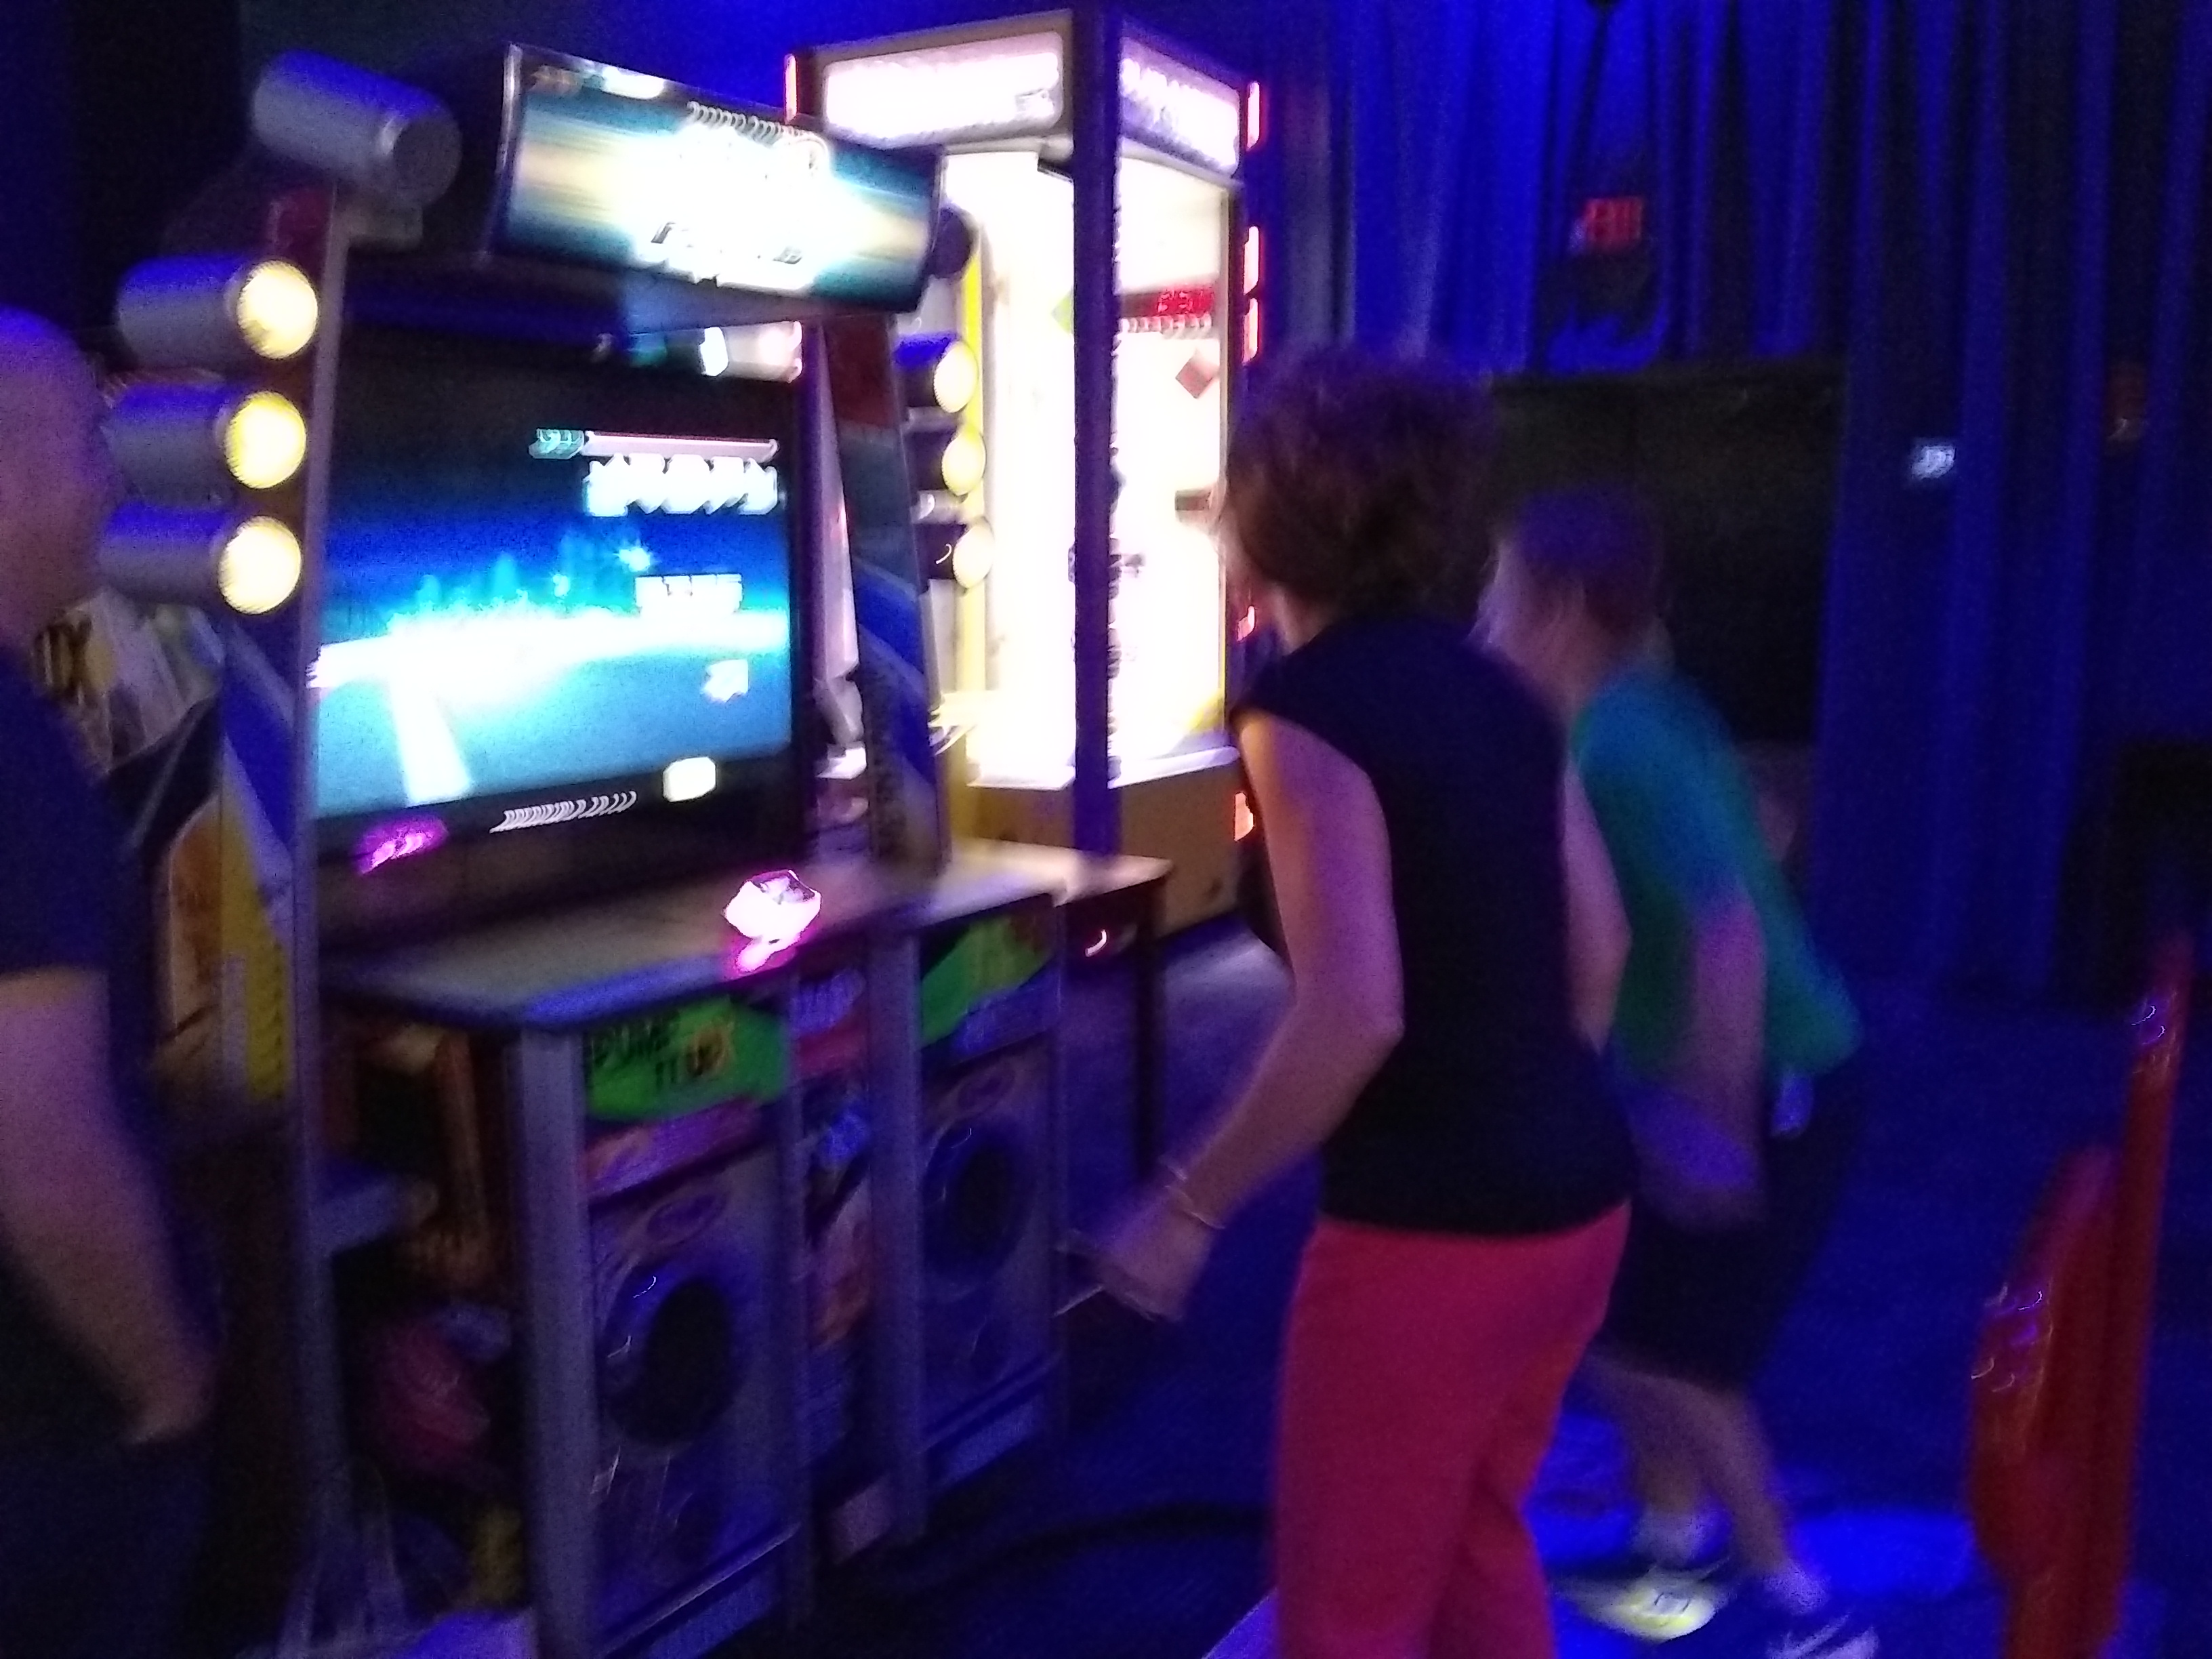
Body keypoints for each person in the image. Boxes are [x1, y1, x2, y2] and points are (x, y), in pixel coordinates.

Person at [1099, 350, 1637, 1659]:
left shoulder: (1304, 708)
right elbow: (1604, 949)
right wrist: (1522, 1108)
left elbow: (1356, 1013)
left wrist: (1186, 1208)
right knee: (1476, 1537)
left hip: (1430, 1240)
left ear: (1269, 521)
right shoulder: (1503, 692)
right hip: (1579, 1199)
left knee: (1348, 1609)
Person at [1479, 487, 1875, 1659]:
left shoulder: (1619, 746)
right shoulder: (1648, 709)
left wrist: (1718, 1126)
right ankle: (1672, 1549)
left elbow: (1730, 934)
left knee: (1689, 1361)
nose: (1484, 623)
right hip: (1728, 1070)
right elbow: (1770, 824)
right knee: (1620, 1323)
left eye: (1499, 597)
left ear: (1558, 610)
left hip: (1780, 1082)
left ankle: (1804, 1611)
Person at [0, 310, 216, 1658]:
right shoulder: (8, 757)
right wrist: (166, 1382)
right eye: (88, 441)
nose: (111, 480)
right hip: (52, 1434)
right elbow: (39, 1148)